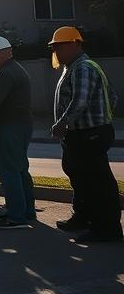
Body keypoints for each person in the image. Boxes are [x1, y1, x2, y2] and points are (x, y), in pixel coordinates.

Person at [48, 26, 122, 243]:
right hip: (81, 133)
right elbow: (113, 96)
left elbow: (79, 102)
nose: (56, 52)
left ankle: (106, 228)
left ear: (75, 44)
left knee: (96, 181)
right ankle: (83, 217)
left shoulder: (83, 68)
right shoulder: (73, 67)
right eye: (54, 48)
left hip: (90, 134)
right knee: (79, 176)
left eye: (59, 47)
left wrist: (62, 124)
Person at [0, 35, 36, 230]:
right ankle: (27, 211)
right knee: (20, 169)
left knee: (7, 170)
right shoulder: (17, 69)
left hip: (10, 126)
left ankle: (16, 216)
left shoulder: (4, 73)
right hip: (22, 124)